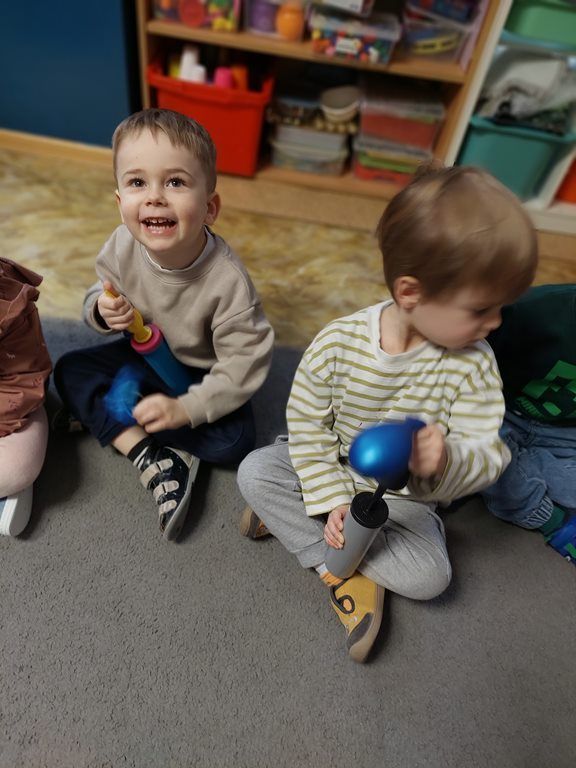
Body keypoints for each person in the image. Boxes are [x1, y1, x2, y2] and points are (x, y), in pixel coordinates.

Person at [237, 164, 538, 663]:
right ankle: (337, 567)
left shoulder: (475, 364)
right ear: (410, 293)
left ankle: (318, 536)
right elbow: (308, 424)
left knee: (432, 578)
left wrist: (446, 459)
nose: (495, 323)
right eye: (480, 310)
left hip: (404, 501)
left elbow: (490, 455)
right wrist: (331, 498)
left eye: (501, 307)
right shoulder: (338, 342)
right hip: (333, 465)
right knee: (255, 472)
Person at [54, 108, 274, 542]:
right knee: (68, 371)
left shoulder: (227, 281)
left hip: (202, 373)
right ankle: (152, 455)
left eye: (175, 182)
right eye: (137, 183)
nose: (154, 197)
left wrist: (185, 409)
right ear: (120, 203)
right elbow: (97, 293)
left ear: (209, 208)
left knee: (235, 441)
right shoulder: (121, 244)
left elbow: (243, 365)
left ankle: (121, 417)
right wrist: (101, 310)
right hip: (142, 356)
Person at [481, 283, 576, 564]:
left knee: (494, 468)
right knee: (474, 446)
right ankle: (550, 518)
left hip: (563, 432)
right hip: (500, 412)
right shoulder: (529, 311)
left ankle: (520, 464)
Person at [0, 258, 52, 536]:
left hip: (10, 396)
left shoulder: (7, 306)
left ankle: (12, 486)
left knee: (15, 466)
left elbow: (21, 383)